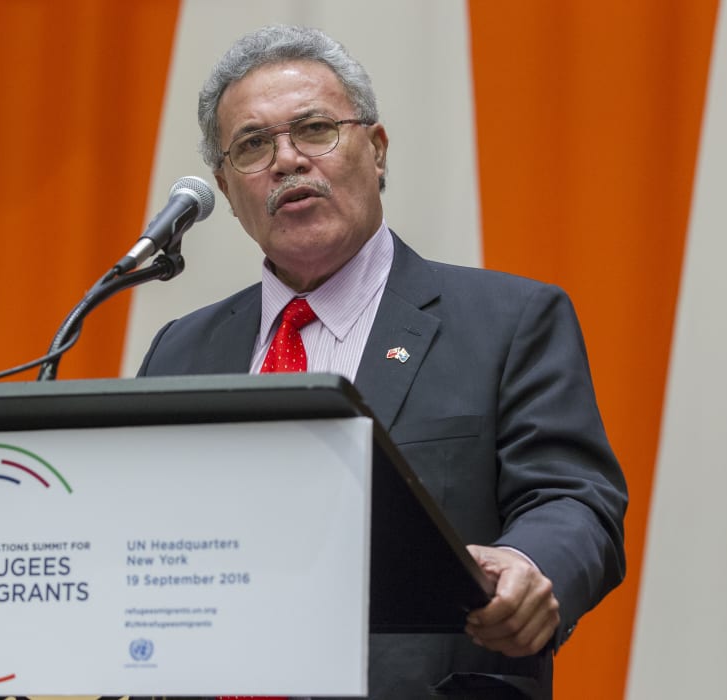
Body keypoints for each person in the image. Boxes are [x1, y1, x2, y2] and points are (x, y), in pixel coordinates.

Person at [137, 25, 627, 700]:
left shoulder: (509, 322)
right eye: (253, 145)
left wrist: (527, 562)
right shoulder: (180, 351)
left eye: (315, 129)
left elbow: (573, 498)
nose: (287, 160)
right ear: (226, 185)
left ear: (377, 149)